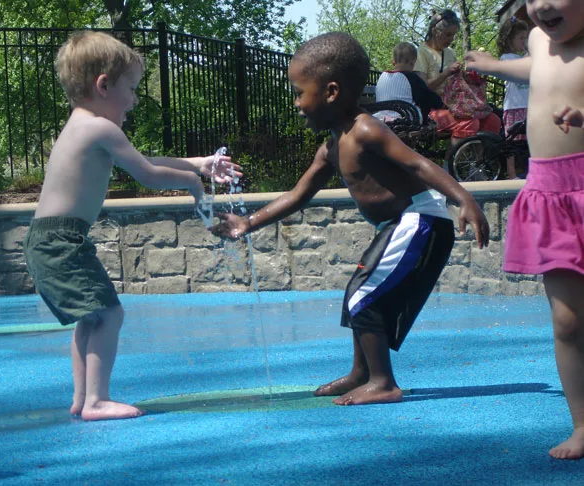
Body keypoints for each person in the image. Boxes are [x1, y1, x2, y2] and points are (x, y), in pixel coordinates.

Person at [212, 32, 489, 407]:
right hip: (398, 225)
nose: (296, 103)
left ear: (330, 91)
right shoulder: (330, 145)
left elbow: (417, 162)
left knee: (363, 293)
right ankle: (362, 372)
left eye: (299, 92)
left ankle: (383, 382)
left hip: (419, 219)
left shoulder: (365, 129)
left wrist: (464, 198)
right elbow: (299, 194)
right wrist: (248, 223)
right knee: (359, 292)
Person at [23, 31, 242, 421]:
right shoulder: (100, 129)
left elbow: (146, 158)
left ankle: (82, 398)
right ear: (103, 85)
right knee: (109, 315)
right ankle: (96, 401)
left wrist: (199, 163)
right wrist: (193, 184)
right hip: (61, 241)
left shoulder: (83, 125)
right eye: (133, 87)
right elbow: (149, 174)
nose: (136, 98)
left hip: (51, 239)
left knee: (91, 315)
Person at [466, 0, 584, 460]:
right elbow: (537, 68)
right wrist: (492, 65)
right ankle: (582, 424)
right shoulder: (538, 38)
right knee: (567, 320)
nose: (541, 6)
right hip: (548, 192)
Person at [414, 9, 501, 144]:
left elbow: (456, 82)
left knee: (493, 121)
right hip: (432, 109)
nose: (451, 39)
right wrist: (446, 73)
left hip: (457, 106)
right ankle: (450, 164)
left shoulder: (450, 53)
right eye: (448, 35)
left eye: (453, 35)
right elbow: (422, 88)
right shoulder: (422, 52)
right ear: (435, 31)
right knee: (469, 123)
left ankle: (477, 161)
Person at [374, 42, 443, 125]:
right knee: (425, 102)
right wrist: (441, 104)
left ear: (393, 62)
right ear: (412, 62)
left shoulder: (382, 76)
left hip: (382, 119)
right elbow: (429, 97)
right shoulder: (412, 78)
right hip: (407, 121)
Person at [497, 17, 530, 179]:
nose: (524, 41)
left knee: (529, 139)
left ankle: (528, 168)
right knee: (512, 140)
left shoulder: (524, 57)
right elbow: (519, 67)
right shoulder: (507, 58)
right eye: (521, 38)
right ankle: (510, 172)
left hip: (528, 104)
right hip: (514, 106)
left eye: (526, 38)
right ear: (510, 40)